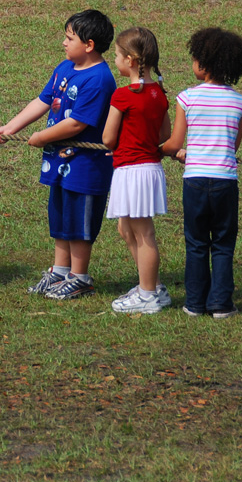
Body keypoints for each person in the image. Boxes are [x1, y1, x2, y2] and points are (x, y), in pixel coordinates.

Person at [0, 10, 117, 301]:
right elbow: (44, 100)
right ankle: (60, 271)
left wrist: (40, 138)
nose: (63, 43)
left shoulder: (99, 79)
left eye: (69, 38)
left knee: (80, 223)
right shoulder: (66, 66)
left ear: (89, 44)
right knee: (60, 217)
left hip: (85, 166)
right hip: (60, 162)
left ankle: (79, 276)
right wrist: (10, 127)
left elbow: (77, 123)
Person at [159, 27, 242, 319]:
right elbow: (232, 146)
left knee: (196, 242)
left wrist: (163, 149)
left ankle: (195, 303)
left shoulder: (187, 98)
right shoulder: (239, 102)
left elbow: (174, 144)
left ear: (204, 64)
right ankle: (221, 304)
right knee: (223, 243)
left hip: (195, 181)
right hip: (226, 181)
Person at [101, 27, 172, 315]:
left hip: (134, 170)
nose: (114, 60)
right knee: (125, 228)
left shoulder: (123, 96)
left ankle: (148, 295)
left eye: (116, 55)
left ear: (130, 60)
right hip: (144, 168)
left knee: (143, 234)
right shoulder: (158, 93)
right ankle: (151, 284)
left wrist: (123, 142)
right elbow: (164, 133)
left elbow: (107, 138)